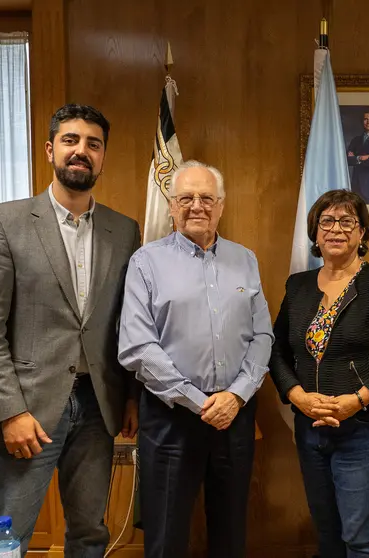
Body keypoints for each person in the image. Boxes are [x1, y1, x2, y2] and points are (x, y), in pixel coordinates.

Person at [0, 104, 142, 556]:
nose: (81, 151)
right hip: (29, 410)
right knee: (9, 536)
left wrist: (128, 397)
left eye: (93, 144)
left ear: (102, 157)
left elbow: (129, 323)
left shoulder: (124, 231)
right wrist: (8, 411)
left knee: (89, 533)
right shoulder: (4, 222)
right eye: (70, 140)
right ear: (50, 150)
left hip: (97, 405)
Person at [118, 160, 273, 558]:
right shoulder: (146, 262)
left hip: (234, 417)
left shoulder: (246, 260)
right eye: (186, 198)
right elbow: (137, 346)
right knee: (166, 535)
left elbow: (262, 336)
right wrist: (198, 400)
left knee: (230, 533)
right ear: (171, 205)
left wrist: (236, 396)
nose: (197, 206)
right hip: (171, 419)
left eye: (207, 197)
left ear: (221, 206)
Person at [270, 190, 369, 558]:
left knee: (359, 536)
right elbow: (276, 350)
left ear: (363, 232)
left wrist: (360, 399)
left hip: (362, 429)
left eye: (348, 221)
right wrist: (296, 396)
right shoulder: (298, 286)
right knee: (328, 533)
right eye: (327, 222)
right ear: (315, 233)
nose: (337, 229)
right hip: (310, 428)